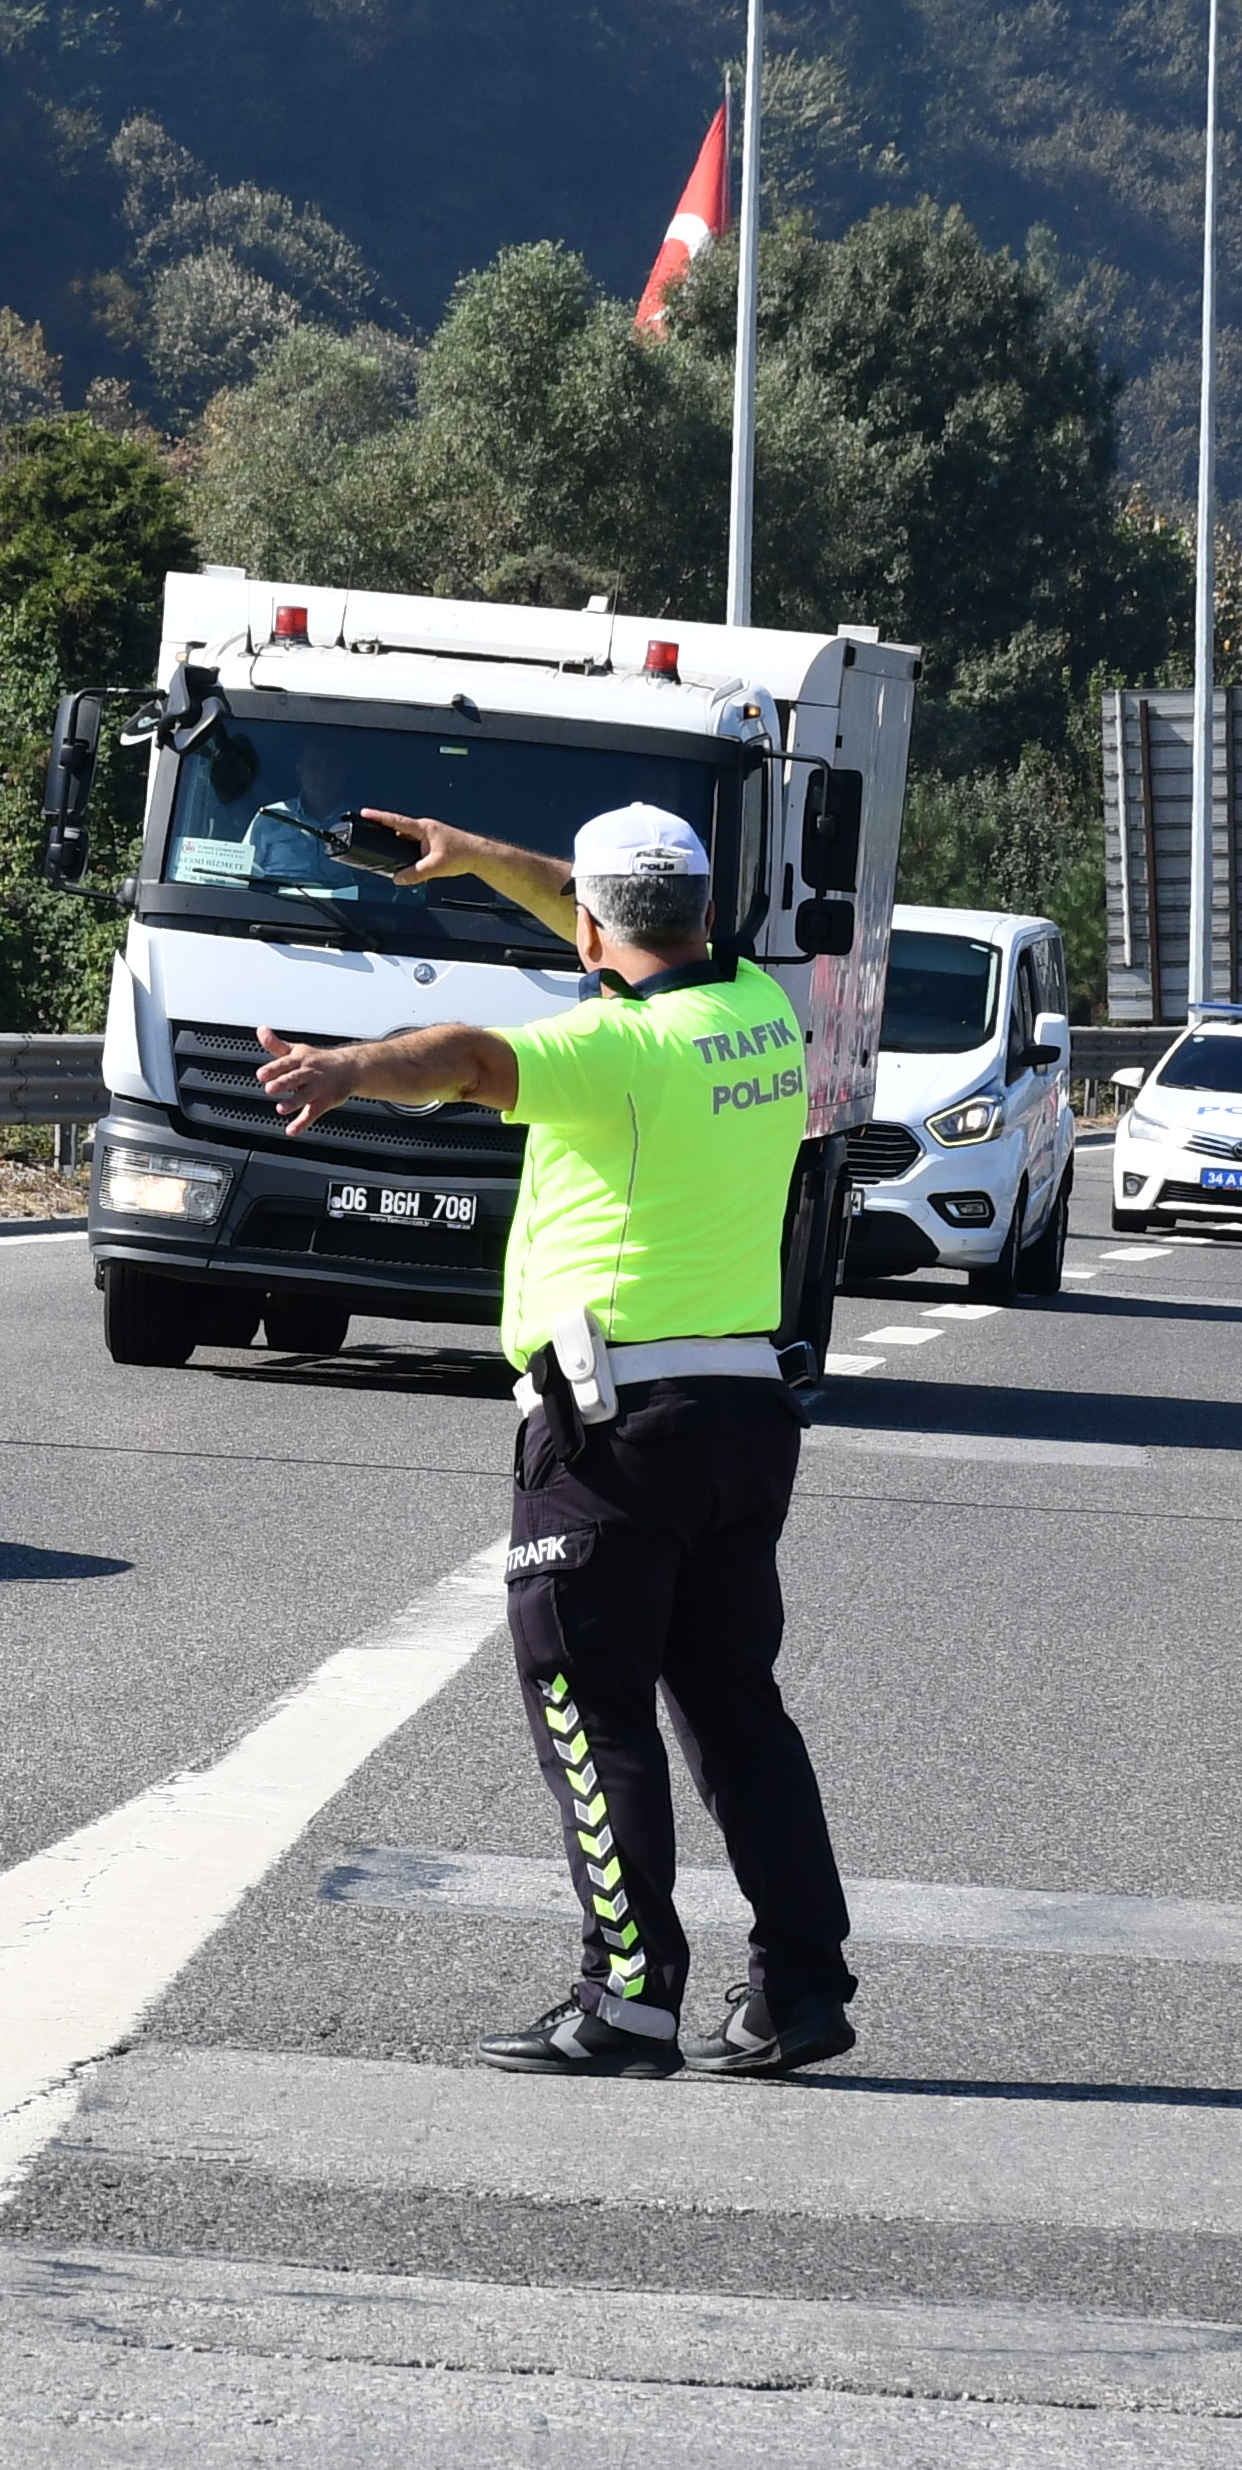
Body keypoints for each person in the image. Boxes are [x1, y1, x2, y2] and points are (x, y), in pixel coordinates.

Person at [254, 801, 858, 2079]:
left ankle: (629, 1999)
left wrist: (349, 1069)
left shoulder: (612, 1050)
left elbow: (469, 1056)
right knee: (739, 1714)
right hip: (744, 1414)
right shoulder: (756, 1006)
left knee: (589, 1708)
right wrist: (480, 856)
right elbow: (614, 919)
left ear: (592, 928)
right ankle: (800, 1986)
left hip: (613, 1430)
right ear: (701, 910)